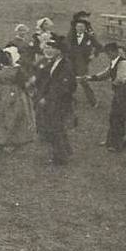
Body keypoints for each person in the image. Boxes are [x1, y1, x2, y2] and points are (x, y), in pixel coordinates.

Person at [85, 42, 126, 151]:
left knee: (119, 118)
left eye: (110, 53)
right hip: (120, 93)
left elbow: (121, 79)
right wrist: (91, 78)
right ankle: (110, 141)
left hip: (125, 93)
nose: (108, 55)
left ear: (115, 52)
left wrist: (112, 84)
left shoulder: (122, 63)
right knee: (113, 117)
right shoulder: (114, 62)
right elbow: (106, 73)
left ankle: (118, 145)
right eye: (107, 53)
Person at [36, 37, 76, 166]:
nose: (51, 50)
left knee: (55, 128)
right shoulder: (55, 62)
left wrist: (46, 98)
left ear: (60, 51)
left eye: (53, 48)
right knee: (57, 127)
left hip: (58, 101)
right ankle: (66, 150)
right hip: (54, 99)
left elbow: (61, 86)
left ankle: (60, 157)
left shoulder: (65, 65)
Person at [0, 45, 36, 151]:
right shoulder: (0, 68)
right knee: (1, 116)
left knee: (13, 117)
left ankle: (12, 141)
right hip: (2, 93)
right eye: (5, 56)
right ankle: (0, 139)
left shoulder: (17, 69)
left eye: (9, 56)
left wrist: (30, 83)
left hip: (15, 95)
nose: (6, 58)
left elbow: (24, 84)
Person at [67, 18, 100, 108]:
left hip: (83, 63)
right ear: (75, 27)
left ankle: (93, 101)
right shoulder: (71, 36)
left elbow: (99, 47)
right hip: (71, 61)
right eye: (78, 26)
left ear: (85, 28)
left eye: (82, 26)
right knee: (70, 81)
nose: (80, 28)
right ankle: (68, 100)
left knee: (83, 81)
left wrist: (93, 55)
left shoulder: (89, 37)